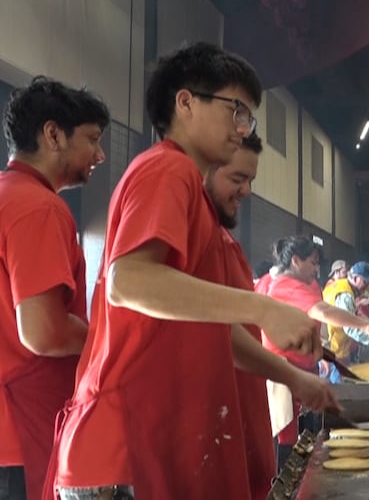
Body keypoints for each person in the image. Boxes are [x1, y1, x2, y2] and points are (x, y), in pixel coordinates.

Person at [51, 42, 322, 499]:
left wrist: (293, 377)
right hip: (123, 449)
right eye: (236, 110)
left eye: (248, 117)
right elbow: (128, 281)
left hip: (145, 447)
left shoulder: (191, 195)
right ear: (186, 103)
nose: (242, 128)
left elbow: (217, 332)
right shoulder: (167, 169)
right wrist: (263, 308)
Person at [0, 77, 108, 500]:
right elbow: (44, 331)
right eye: (92, 139)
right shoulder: (38, 207)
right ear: (53, 134)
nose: (100, 155)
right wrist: (112, 340)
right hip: (24, 426)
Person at [207, 141, 339, 498]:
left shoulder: (225, 245)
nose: (247, 190)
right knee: (284, 441)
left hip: (263, 385)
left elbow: (231, 335)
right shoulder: (285, 286)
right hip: (252, 392)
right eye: (239, 177)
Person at [263, 237, 369, 457]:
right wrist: (365, 325)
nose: (317, 269)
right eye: (313, 262)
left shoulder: (305, 284)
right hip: (285, 376)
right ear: (296, 261)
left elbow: (308, 324)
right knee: (286, 440)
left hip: (302, 368)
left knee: (304, 433)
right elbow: (323, 312)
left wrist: (320, 354)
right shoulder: (286, 286)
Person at [321, 261, 369, 365]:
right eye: (365, 282)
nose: (367, 286)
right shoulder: (345, 295)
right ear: (355, 278)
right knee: (335, 379)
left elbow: (354, 317)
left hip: (331, 347)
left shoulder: (342, 287)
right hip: (332, 349)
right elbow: (350, 328)